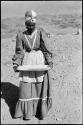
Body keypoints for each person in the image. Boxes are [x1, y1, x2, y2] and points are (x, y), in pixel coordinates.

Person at [12, 10, 53, 120]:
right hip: (27, 62)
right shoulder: (21, 35)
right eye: (28, 25)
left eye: (32, 25)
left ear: (35, 24)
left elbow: (45, 48)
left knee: (39, 86)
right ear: (25, 24)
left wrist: (49, 60)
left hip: (39, 61)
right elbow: (19, 51)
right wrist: (16, 63)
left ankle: (39, 110)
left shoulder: (40, 33)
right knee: (26, 86)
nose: (30, 27)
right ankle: (26, 112)